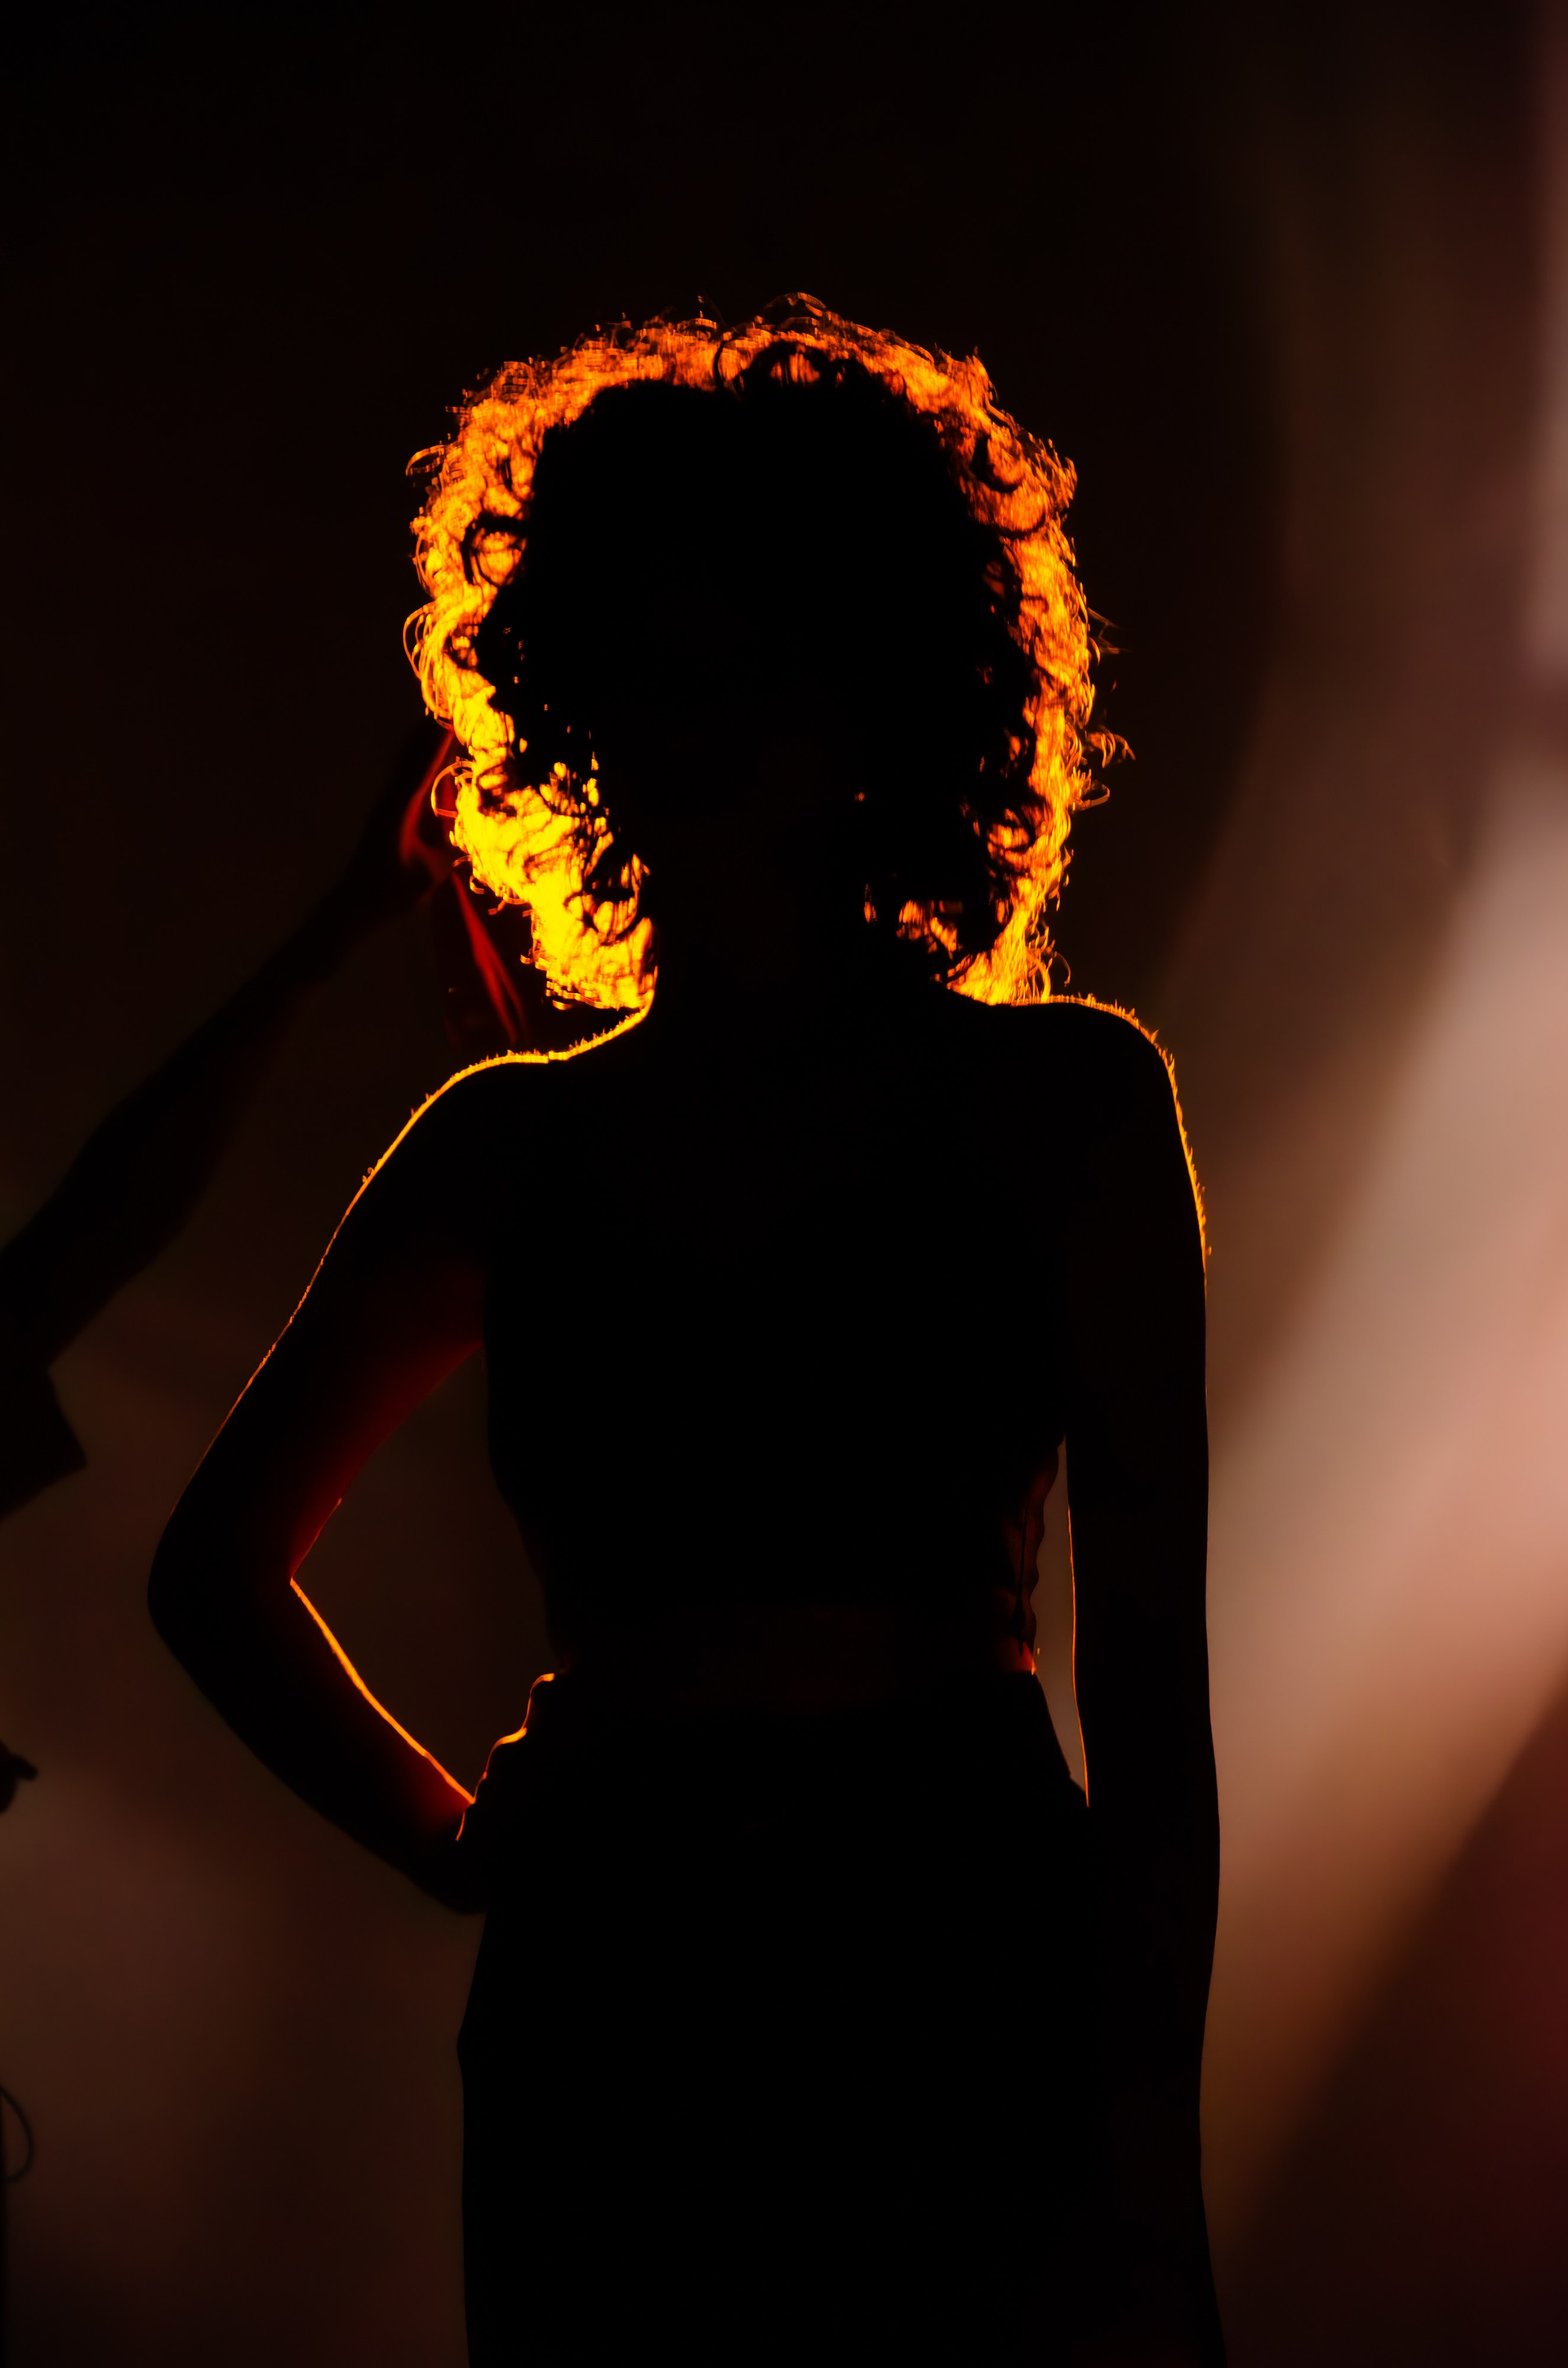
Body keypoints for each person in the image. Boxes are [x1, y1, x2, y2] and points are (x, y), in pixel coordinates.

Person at [148, 299, 1223, 2363]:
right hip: (677, 1972)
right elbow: (211, 1575)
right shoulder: (534, 1144)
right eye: (661, 670)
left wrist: (1145, 2176)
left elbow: (1162, 1705)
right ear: (581, 711)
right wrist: (460, 1848)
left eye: (759, 666)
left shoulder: (1054, 1105)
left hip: (912, 1964)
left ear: (879, 703)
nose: (706, 728)